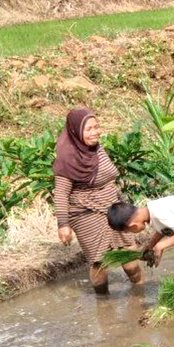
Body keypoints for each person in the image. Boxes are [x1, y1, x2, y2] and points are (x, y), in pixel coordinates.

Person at [53, 108, 142, 294]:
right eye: (89, 129)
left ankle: (140, 292)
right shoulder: (67, 158)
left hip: (112, 204)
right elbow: (61, 193)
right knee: (99, 260)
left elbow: (109, 177)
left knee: (130, 251)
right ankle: (103, 303)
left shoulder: (96, 148)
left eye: (97, 127)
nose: (95, 132)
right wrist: (63, 224)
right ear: (76, 132)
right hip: (85, 212)